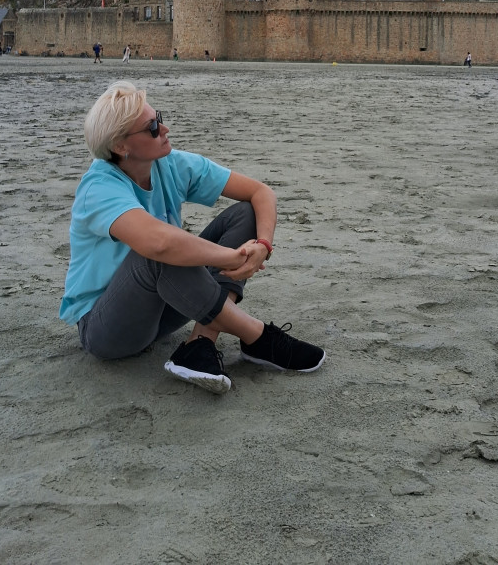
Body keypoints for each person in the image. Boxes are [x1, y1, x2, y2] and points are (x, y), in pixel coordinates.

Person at [59, 81, 325, 394]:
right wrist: (233, 257)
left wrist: (263, 245)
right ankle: (257, 337)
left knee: (246, 213)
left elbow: (260, 192)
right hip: (107, 328)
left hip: (164, 308)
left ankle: (200, 343)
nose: (165, 129)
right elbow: (158, 244)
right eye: (152, 127)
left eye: (158, 118)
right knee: (160, 250)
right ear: (120, 146)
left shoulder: (170, 165)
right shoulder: (99, 187)